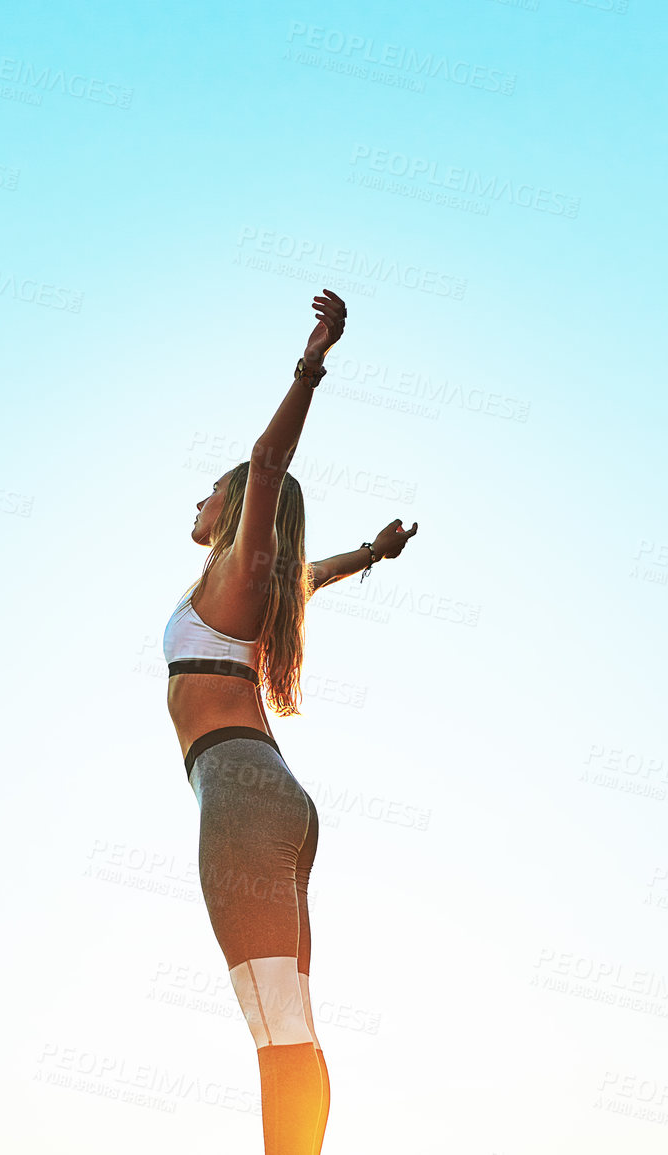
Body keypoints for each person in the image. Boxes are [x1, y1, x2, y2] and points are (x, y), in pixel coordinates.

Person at [162, 290, 417, 1153]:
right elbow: (312, 576)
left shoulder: (235, 573)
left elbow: (267, 464)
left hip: (237, 793)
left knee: (276, 1028)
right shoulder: (260, 589)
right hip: (273, 797)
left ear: (232, 507)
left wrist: (311, 361)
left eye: (205, 493)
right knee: (288, 1021)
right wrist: (372, 556)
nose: (191, 508)